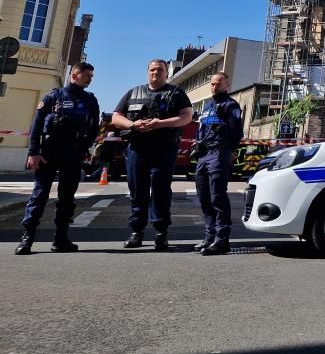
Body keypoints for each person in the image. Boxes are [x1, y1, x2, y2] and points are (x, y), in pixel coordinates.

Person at [15, 63, 101, 255]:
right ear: (74, 75)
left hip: (73, 153)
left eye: (91, 76)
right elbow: (36, 127)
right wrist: (33, 152)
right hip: (48, 153)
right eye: (86, 75)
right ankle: (27, 239)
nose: (90, 78)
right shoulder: (53, 97)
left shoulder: (90, 101)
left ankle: (61, 238)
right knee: (39, 194)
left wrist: (83, 147)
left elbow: (95, 127)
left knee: (67, 197)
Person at [111, 59, 193, 251]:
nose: (156, 73)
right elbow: (116, 117)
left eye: (160, 70)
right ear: (147, 72)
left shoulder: (176, 93)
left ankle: (160, 233)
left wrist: (160, 123)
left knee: (160, 190)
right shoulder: (133, 92)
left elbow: (186, 116)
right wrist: (132, 125)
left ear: (166, 73)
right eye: (152, 70)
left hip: (163, 148)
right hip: (137, 148)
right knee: (137, 191)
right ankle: (136, 232)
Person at [193, 72, 244, 256]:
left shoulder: (231, 106)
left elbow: (237, 133)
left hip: (219, 152)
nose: (214, 86)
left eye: (218, 83)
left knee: (217, 197)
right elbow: (201, 129)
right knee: (204, 197)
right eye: (212, 83)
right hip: (203, 154)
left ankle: (222, 240)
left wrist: (228, 150)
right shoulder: (207, 106)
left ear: (227, 85)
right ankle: (209, 237)